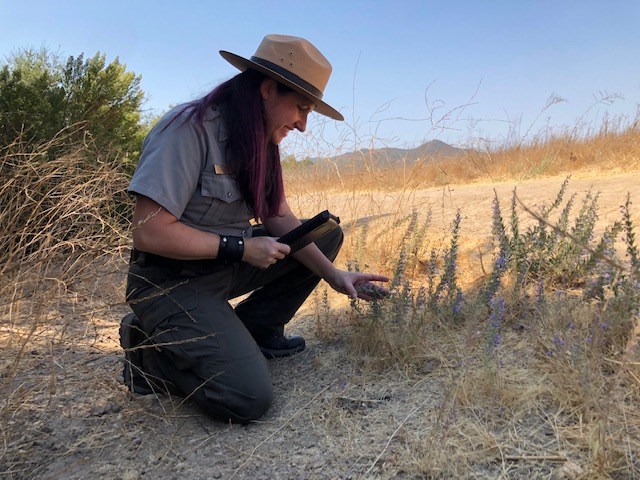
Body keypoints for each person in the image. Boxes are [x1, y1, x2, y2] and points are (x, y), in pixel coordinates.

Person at [120, 34, 389, 424]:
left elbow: (279, 217)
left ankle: (256, 331)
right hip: (169, 282)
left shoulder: (262, 142)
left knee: (322, 233)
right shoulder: (187, 129)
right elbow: (149, 232)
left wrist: (334, 276)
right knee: (246, 398)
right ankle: (147, 352)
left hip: (222, 267)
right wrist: (241, 248)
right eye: (300, 108)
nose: (302, 125)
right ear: (266, 89)